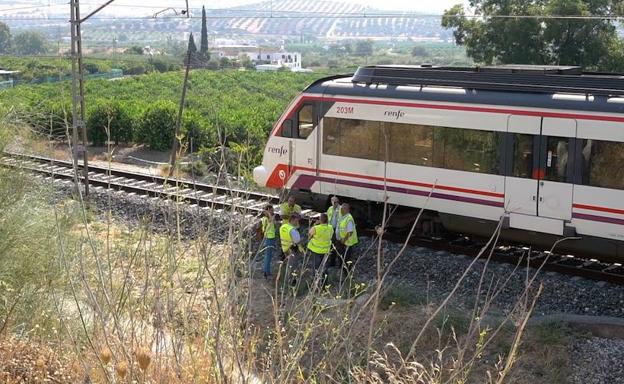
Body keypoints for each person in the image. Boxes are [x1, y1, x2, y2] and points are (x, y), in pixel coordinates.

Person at [335, 203, 359, 274]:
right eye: (341, 209)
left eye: (342, 209)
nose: (341, 210)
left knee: (346, 258)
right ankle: (341, 269)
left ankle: (347, 272)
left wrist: (344, 240)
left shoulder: (349, 219)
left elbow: (350, 232)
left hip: (346, 242)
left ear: (347, 210)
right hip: (341, 241)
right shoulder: (343, 216)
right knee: (341, 256)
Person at [259, 205, 277, 279]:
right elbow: (271, 221)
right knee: (268, 256)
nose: (273, 211)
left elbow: (274, 223)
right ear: (268, 210)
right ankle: (266, 273)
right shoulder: (266, 218)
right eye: (272, 210)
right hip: (269, 238)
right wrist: (269, 214)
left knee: (268, 256)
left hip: (270, 237)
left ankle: (267, 271)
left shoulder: (267, 218)